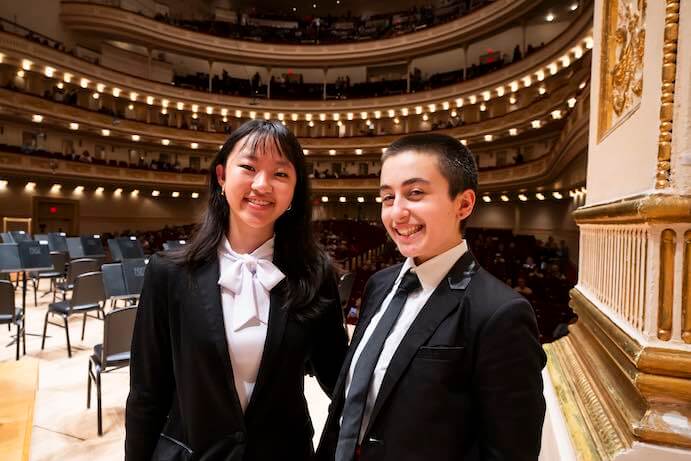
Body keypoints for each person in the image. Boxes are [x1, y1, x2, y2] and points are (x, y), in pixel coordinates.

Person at [126, 120, 349, 461]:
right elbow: (146, 393)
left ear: (294, 191)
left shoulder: (316, 275)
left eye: (280, 174)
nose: (262, 184)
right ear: (221, 176)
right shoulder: (168, 273)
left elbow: (340, 384)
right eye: (248, 167)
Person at [317, 133, 546, 461]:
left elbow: (509, 453)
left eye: (415, 193)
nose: (397, 213)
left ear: (463, 204)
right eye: (387, 198)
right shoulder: (378, 285)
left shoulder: (501, 313)